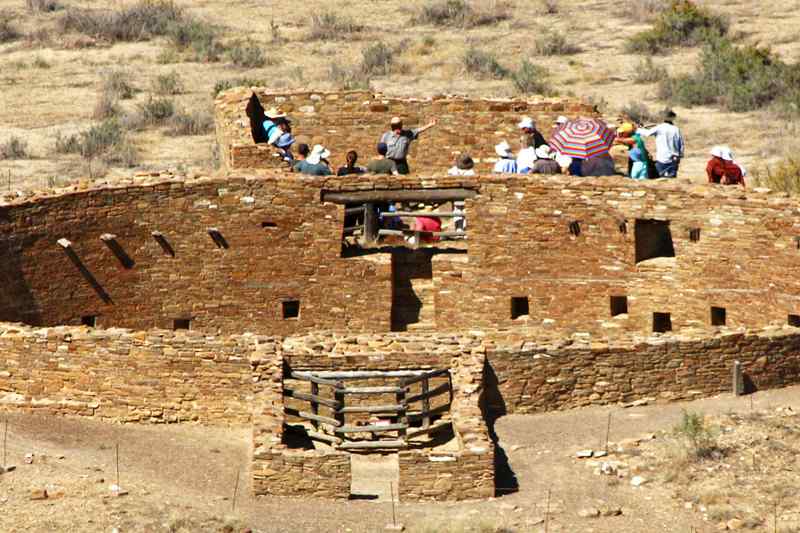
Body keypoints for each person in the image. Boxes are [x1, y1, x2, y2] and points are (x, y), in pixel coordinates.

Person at [637, 109, 684, 178]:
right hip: (674, 158)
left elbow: (647, 133)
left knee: (661, 177)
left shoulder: (659, 127)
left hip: (662, 158)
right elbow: (681, 144)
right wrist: (680, 156)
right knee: (672, 178)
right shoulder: (676, 129)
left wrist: (638, 129)